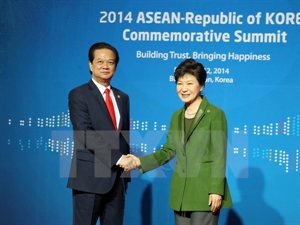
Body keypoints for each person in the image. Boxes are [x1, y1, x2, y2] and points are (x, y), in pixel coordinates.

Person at [125, 58, 233, 225]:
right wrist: (139, 161)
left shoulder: (215, 114)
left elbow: (220, 155)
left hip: (205, 192)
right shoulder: (176, 116)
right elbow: (168, 151)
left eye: (189, 83)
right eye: (179, 83)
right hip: (181, 192)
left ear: (201, 85)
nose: (183, 89)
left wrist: (216, 190)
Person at [67, 42, 137, 225]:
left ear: (116, 66)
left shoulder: (123, 97)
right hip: (89, 180)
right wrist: (119, 158)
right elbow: (84, 133)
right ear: (90, 65)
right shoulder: (79, 94)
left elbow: (124, 136)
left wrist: (125, 178)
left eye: (111, 62)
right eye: (100, 61)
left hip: (117, 182)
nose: (105, 66)